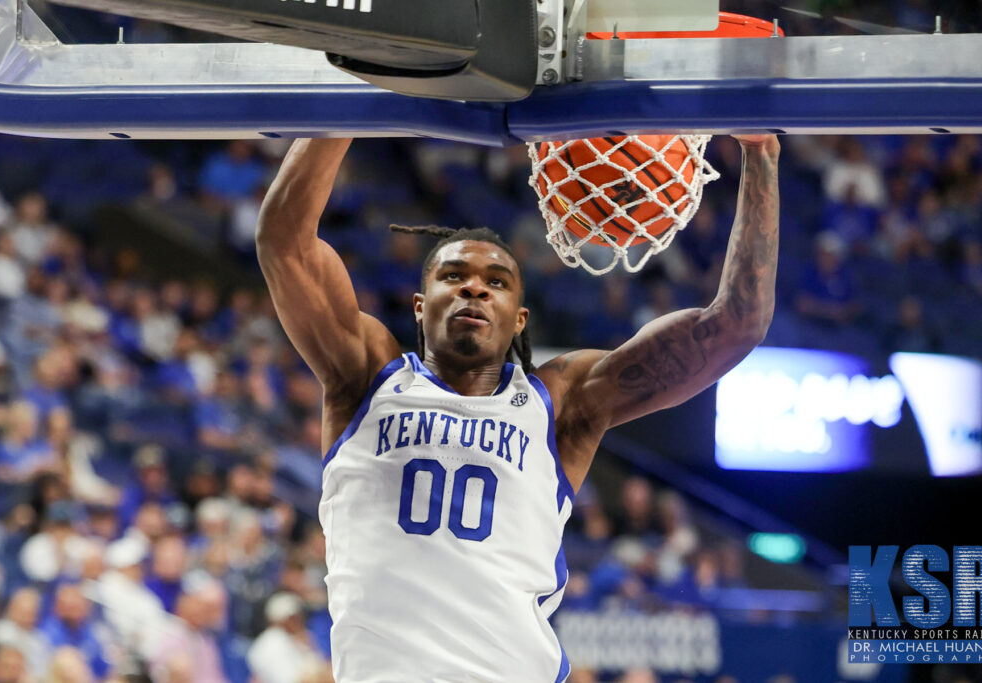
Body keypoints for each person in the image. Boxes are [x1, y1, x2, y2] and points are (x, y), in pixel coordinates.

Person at [256, 135, 779, 681]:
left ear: (519, 319)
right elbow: (283, 242)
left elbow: (736, 325)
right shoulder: (366, 375)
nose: (475, 290)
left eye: (496, 282)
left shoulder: (560, 407)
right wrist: (346, 102)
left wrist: (760, 152)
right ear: (419, 306)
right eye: (453, 276)